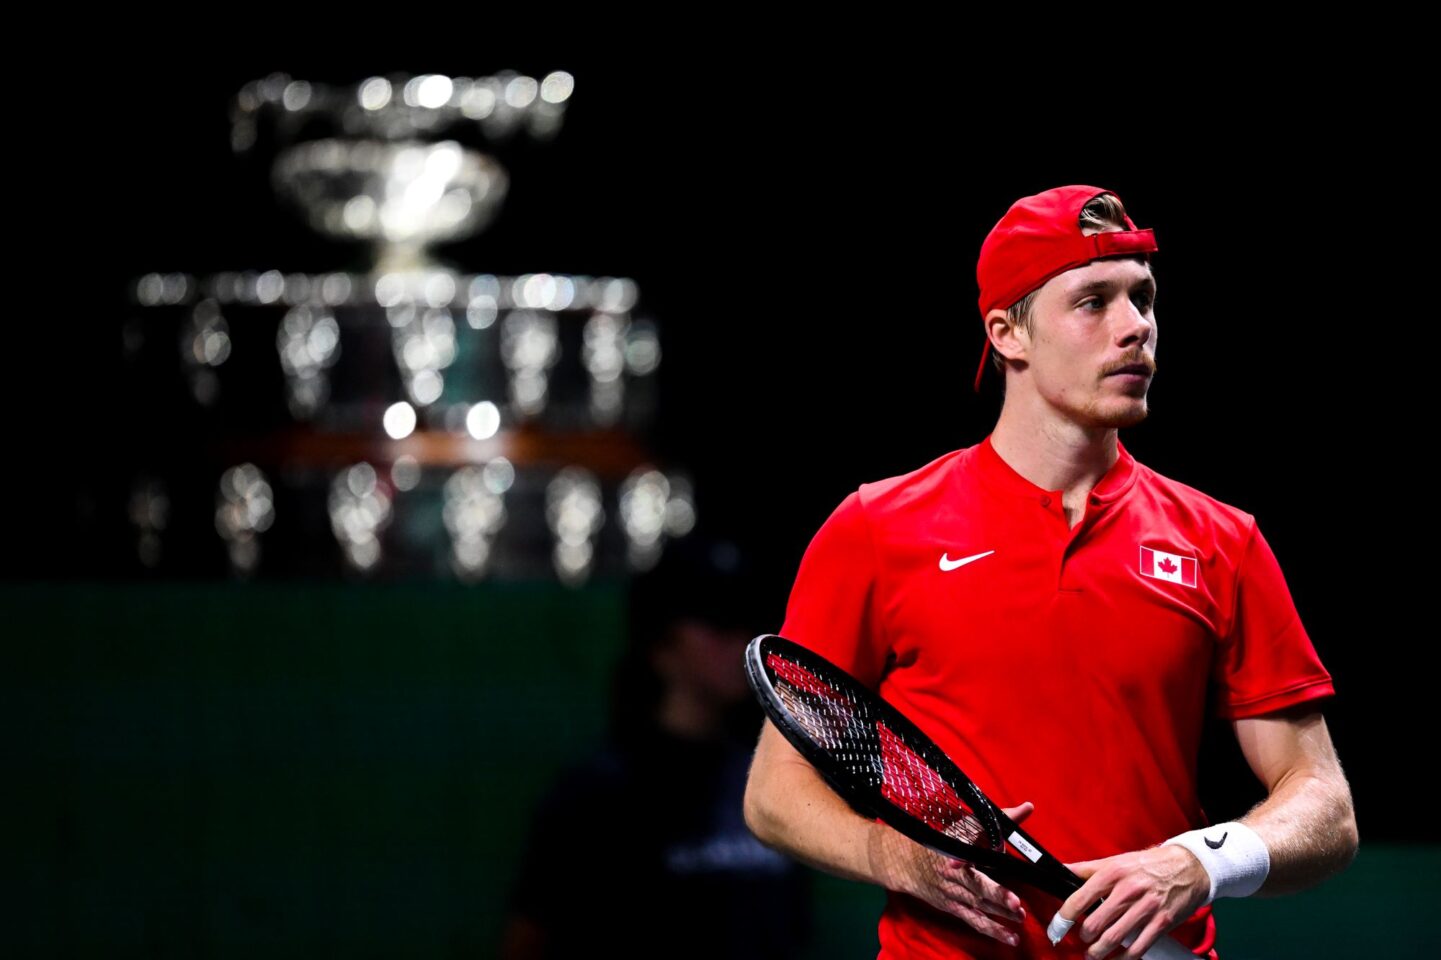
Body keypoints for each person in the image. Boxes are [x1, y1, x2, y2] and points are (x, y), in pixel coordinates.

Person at [742, 185, 1357, 959]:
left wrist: (1193, 864)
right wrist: (893, 857)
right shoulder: (874, 527)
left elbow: (1324, 806)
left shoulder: (1222, 541)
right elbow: (773, 793)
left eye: (1144, 298)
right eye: (1093, 301)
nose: (1136, 327)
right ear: (1007, 333)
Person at [502, 537, 811, 959]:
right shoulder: (596, 797)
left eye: (745, 621)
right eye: (716, 623)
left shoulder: (768, 780)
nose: (738, 641)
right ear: (661, 644)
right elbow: (531, 938)